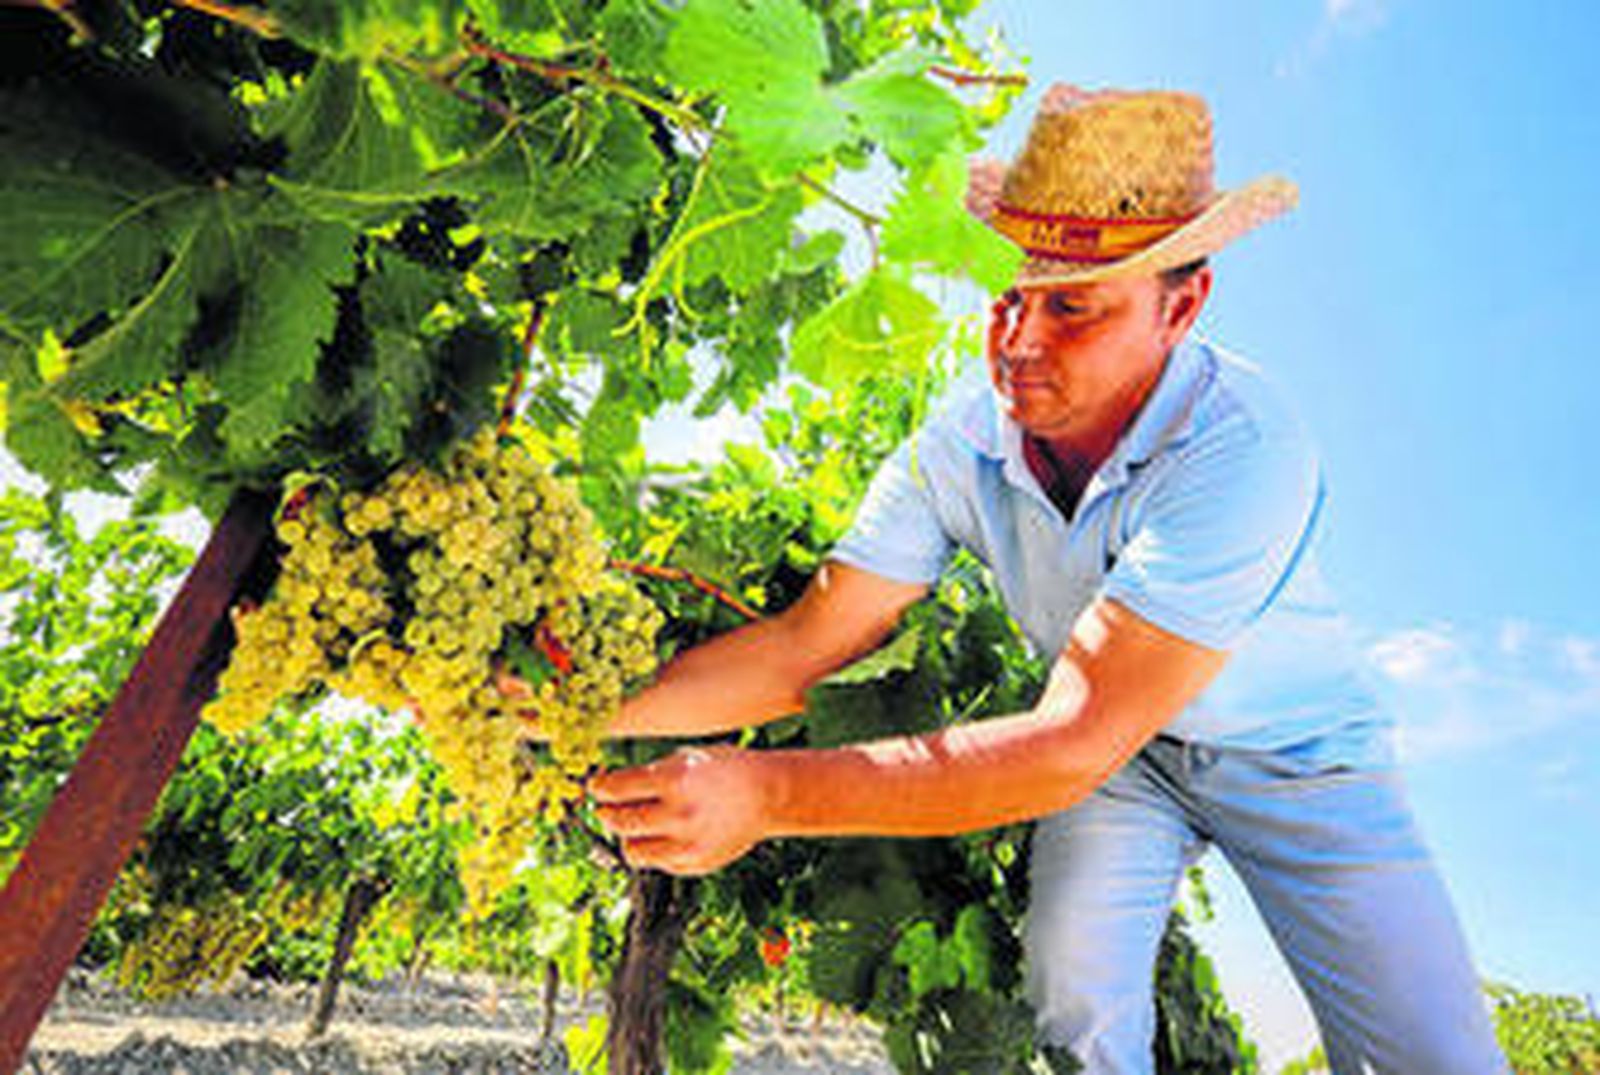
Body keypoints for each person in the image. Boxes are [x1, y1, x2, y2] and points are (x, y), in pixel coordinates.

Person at [574, 86, 1510, 1074]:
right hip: (1123, 766)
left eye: (1070, 305)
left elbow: (1070, 741)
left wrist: (766, 792)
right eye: (1009, 295)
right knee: (1069, 1005)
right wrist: (581, 707)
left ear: (1180, 306)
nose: (1017, 339)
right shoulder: (956, 447)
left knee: (1433, 1053)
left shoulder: (1244, 446)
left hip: (1296, 755)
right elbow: (809, 644)